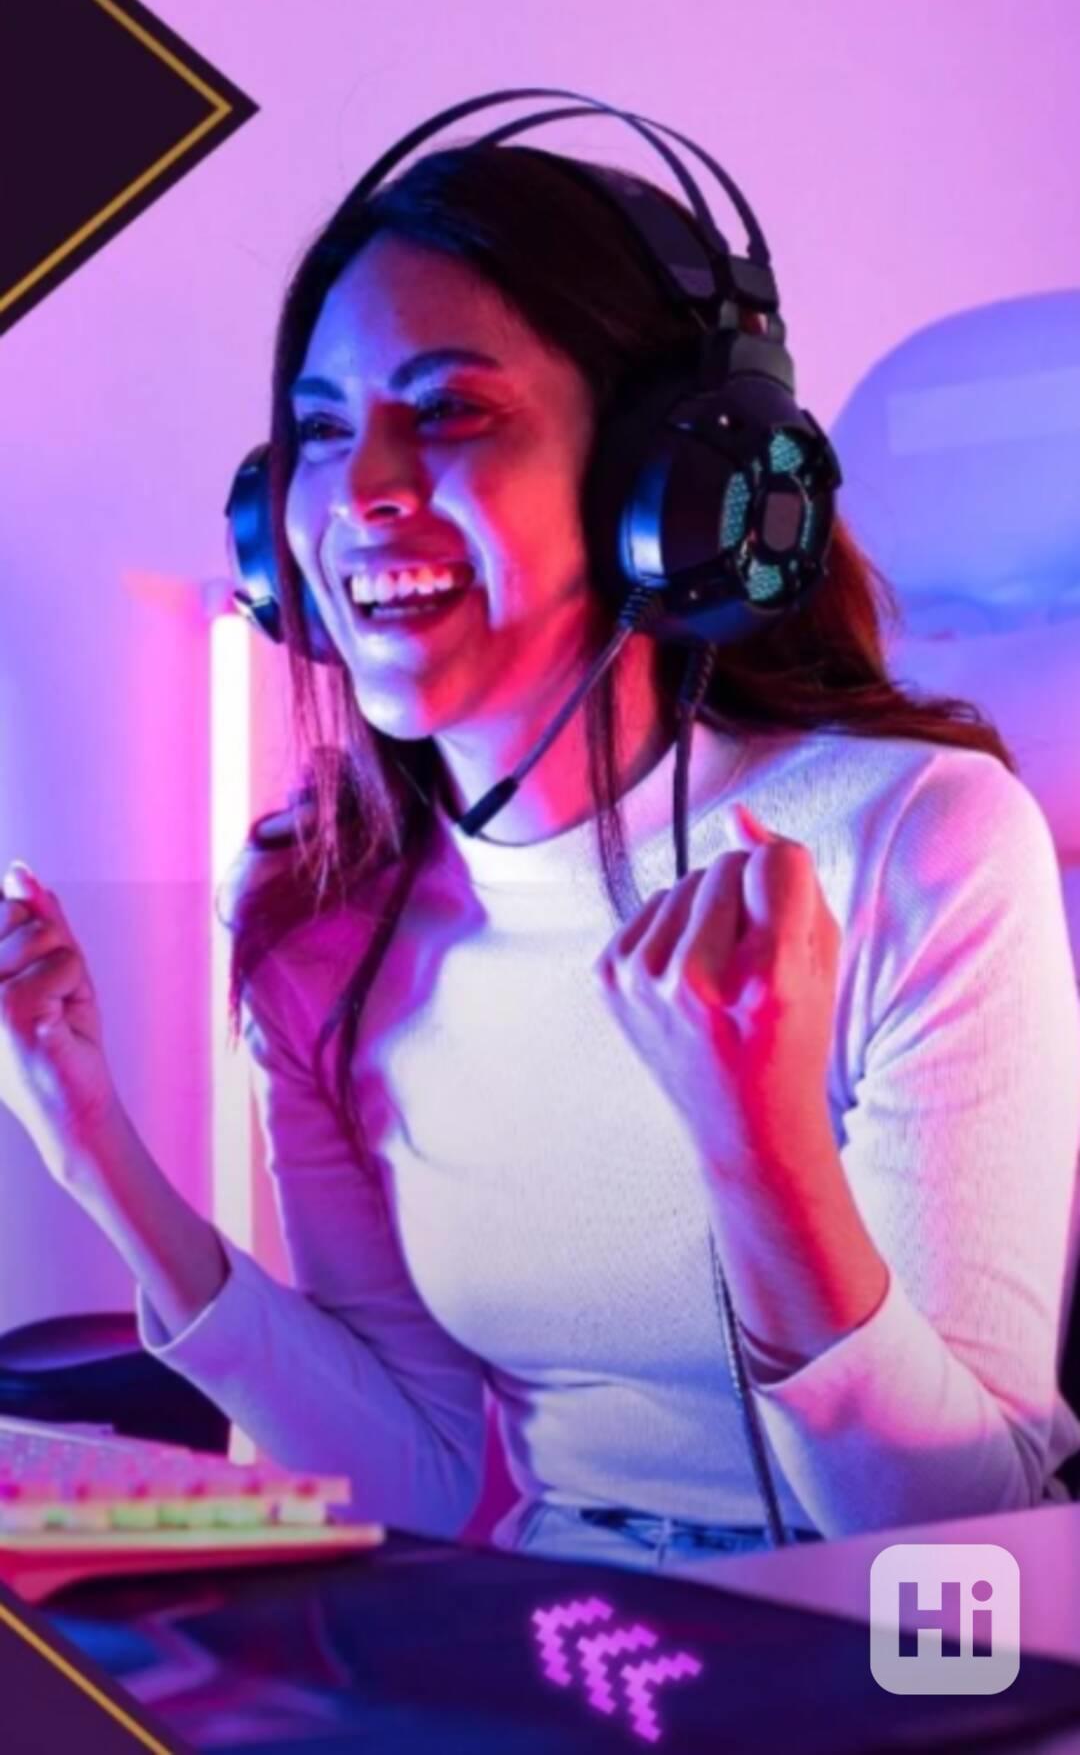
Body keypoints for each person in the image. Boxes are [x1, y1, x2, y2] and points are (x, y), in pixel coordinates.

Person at [2, 133, 1079, 1582]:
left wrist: (760, 1155)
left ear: (666, 490)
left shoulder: (918, 840)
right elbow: (420, 1473)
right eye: (319, 429)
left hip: (880, 1656)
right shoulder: (323, 921)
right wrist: (93, 1149)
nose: (360, 490)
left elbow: (964, 1546)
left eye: (448, 410)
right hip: (555, 1637)